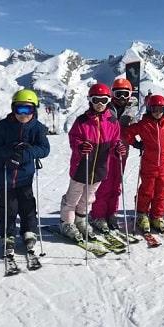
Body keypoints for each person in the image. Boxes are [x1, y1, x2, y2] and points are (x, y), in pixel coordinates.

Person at [59, 83, 124, 241]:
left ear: (108, 100)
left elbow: (115, 141)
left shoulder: (113, 122)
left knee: (88, 197)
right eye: (96, 100)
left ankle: (80, 219)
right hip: (82, 165)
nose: (100, 104)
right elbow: (73, 138)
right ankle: (66, 223)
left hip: (100, 167)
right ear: (90, 100)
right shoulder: (82, 121)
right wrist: (80, 146)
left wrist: (117, 150)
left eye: (103, 100)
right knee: (73, 196)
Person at [0, 89, 50, 253]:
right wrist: (12, 151)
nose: (23, 114)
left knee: (27, 205)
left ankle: (28, 231)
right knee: (8, 207)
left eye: (28, 110)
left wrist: (27, 153)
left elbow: (44, 149)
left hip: (25, 176)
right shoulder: (3, 126)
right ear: (13, 109)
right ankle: (8, 235)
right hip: (3, 176)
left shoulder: (37, 128)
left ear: (34, 110)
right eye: (19, 109)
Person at [124, 94, 164, 232]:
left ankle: (157, 216)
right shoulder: (144, 124)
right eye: (154, 109)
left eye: (160, 109)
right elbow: (127, 132)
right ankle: (142, 215)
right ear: (149, 109)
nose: (157, 113)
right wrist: (136, 144)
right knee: (147, 191)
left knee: (161, 192)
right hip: (148, 164)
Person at [90, 78, 138, 233]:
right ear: (112, 94)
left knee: (116, 184)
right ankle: (98, 215)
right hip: (105, 151)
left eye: (125, 94)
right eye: (118, 94)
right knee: (104, 184)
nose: (122, 98)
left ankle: (112, 213)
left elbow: (134, 129)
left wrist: (136, 141)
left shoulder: (131, 110)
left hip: (122, 151)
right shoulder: (105, 109)